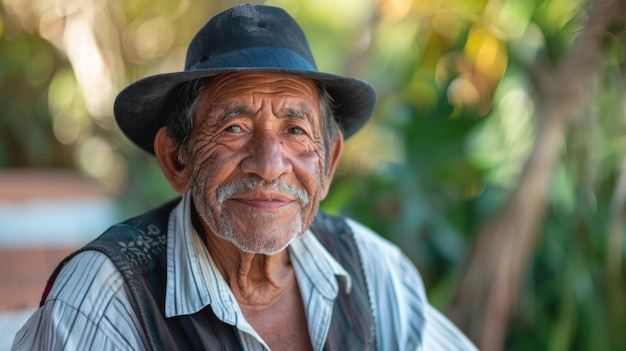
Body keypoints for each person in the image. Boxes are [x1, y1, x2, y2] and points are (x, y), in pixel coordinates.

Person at [12, 4, 477, 351]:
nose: (269, 163)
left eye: (295, 130)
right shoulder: (106, 298)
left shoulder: (374, 275)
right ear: (177, 158)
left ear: (329, 162)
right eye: (234, 128)